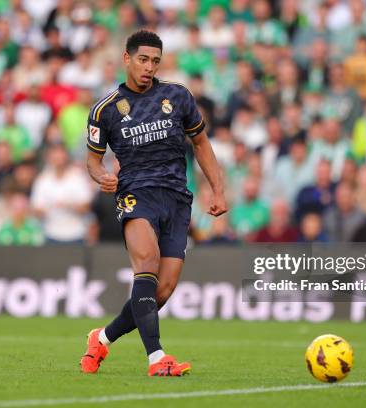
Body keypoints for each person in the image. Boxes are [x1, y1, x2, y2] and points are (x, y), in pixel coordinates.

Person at [83, 31, 226, 377]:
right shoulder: (105, 110)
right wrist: (101, 176)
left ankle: (101, 338)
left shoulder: (177, 96)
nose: (149, 68)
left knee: (161, 290)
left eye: (156, 61)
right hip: (136, 194)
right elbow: (93, 160)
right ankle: (157, 357)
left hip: (177, 198)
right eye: (143, 60)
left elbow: (202, 143)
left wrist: (218, 190)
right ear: (127, 59)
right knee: (146, 262)